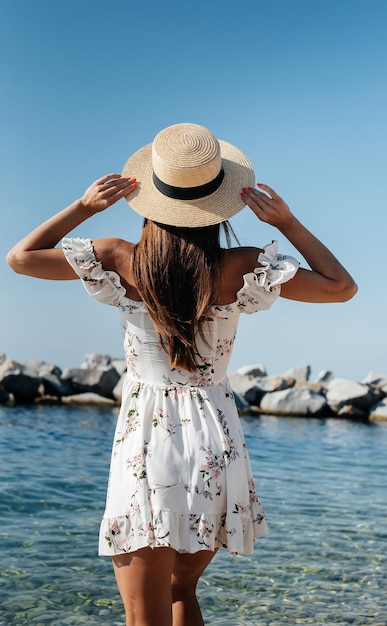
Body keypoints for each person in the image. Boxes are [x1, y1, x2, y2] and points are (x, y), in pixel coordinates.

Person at [6, 122, 357, 626]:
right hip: (216, 439)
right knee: (180, 592)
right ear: (218, 204)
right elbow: (341, 287)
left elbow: (20, 259)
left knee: (141, 614)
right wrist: (289, 223)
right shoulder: (244, 265)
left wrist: (84, 208)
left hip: (148, 442)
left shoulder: (119, 258)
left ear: (151, 197)